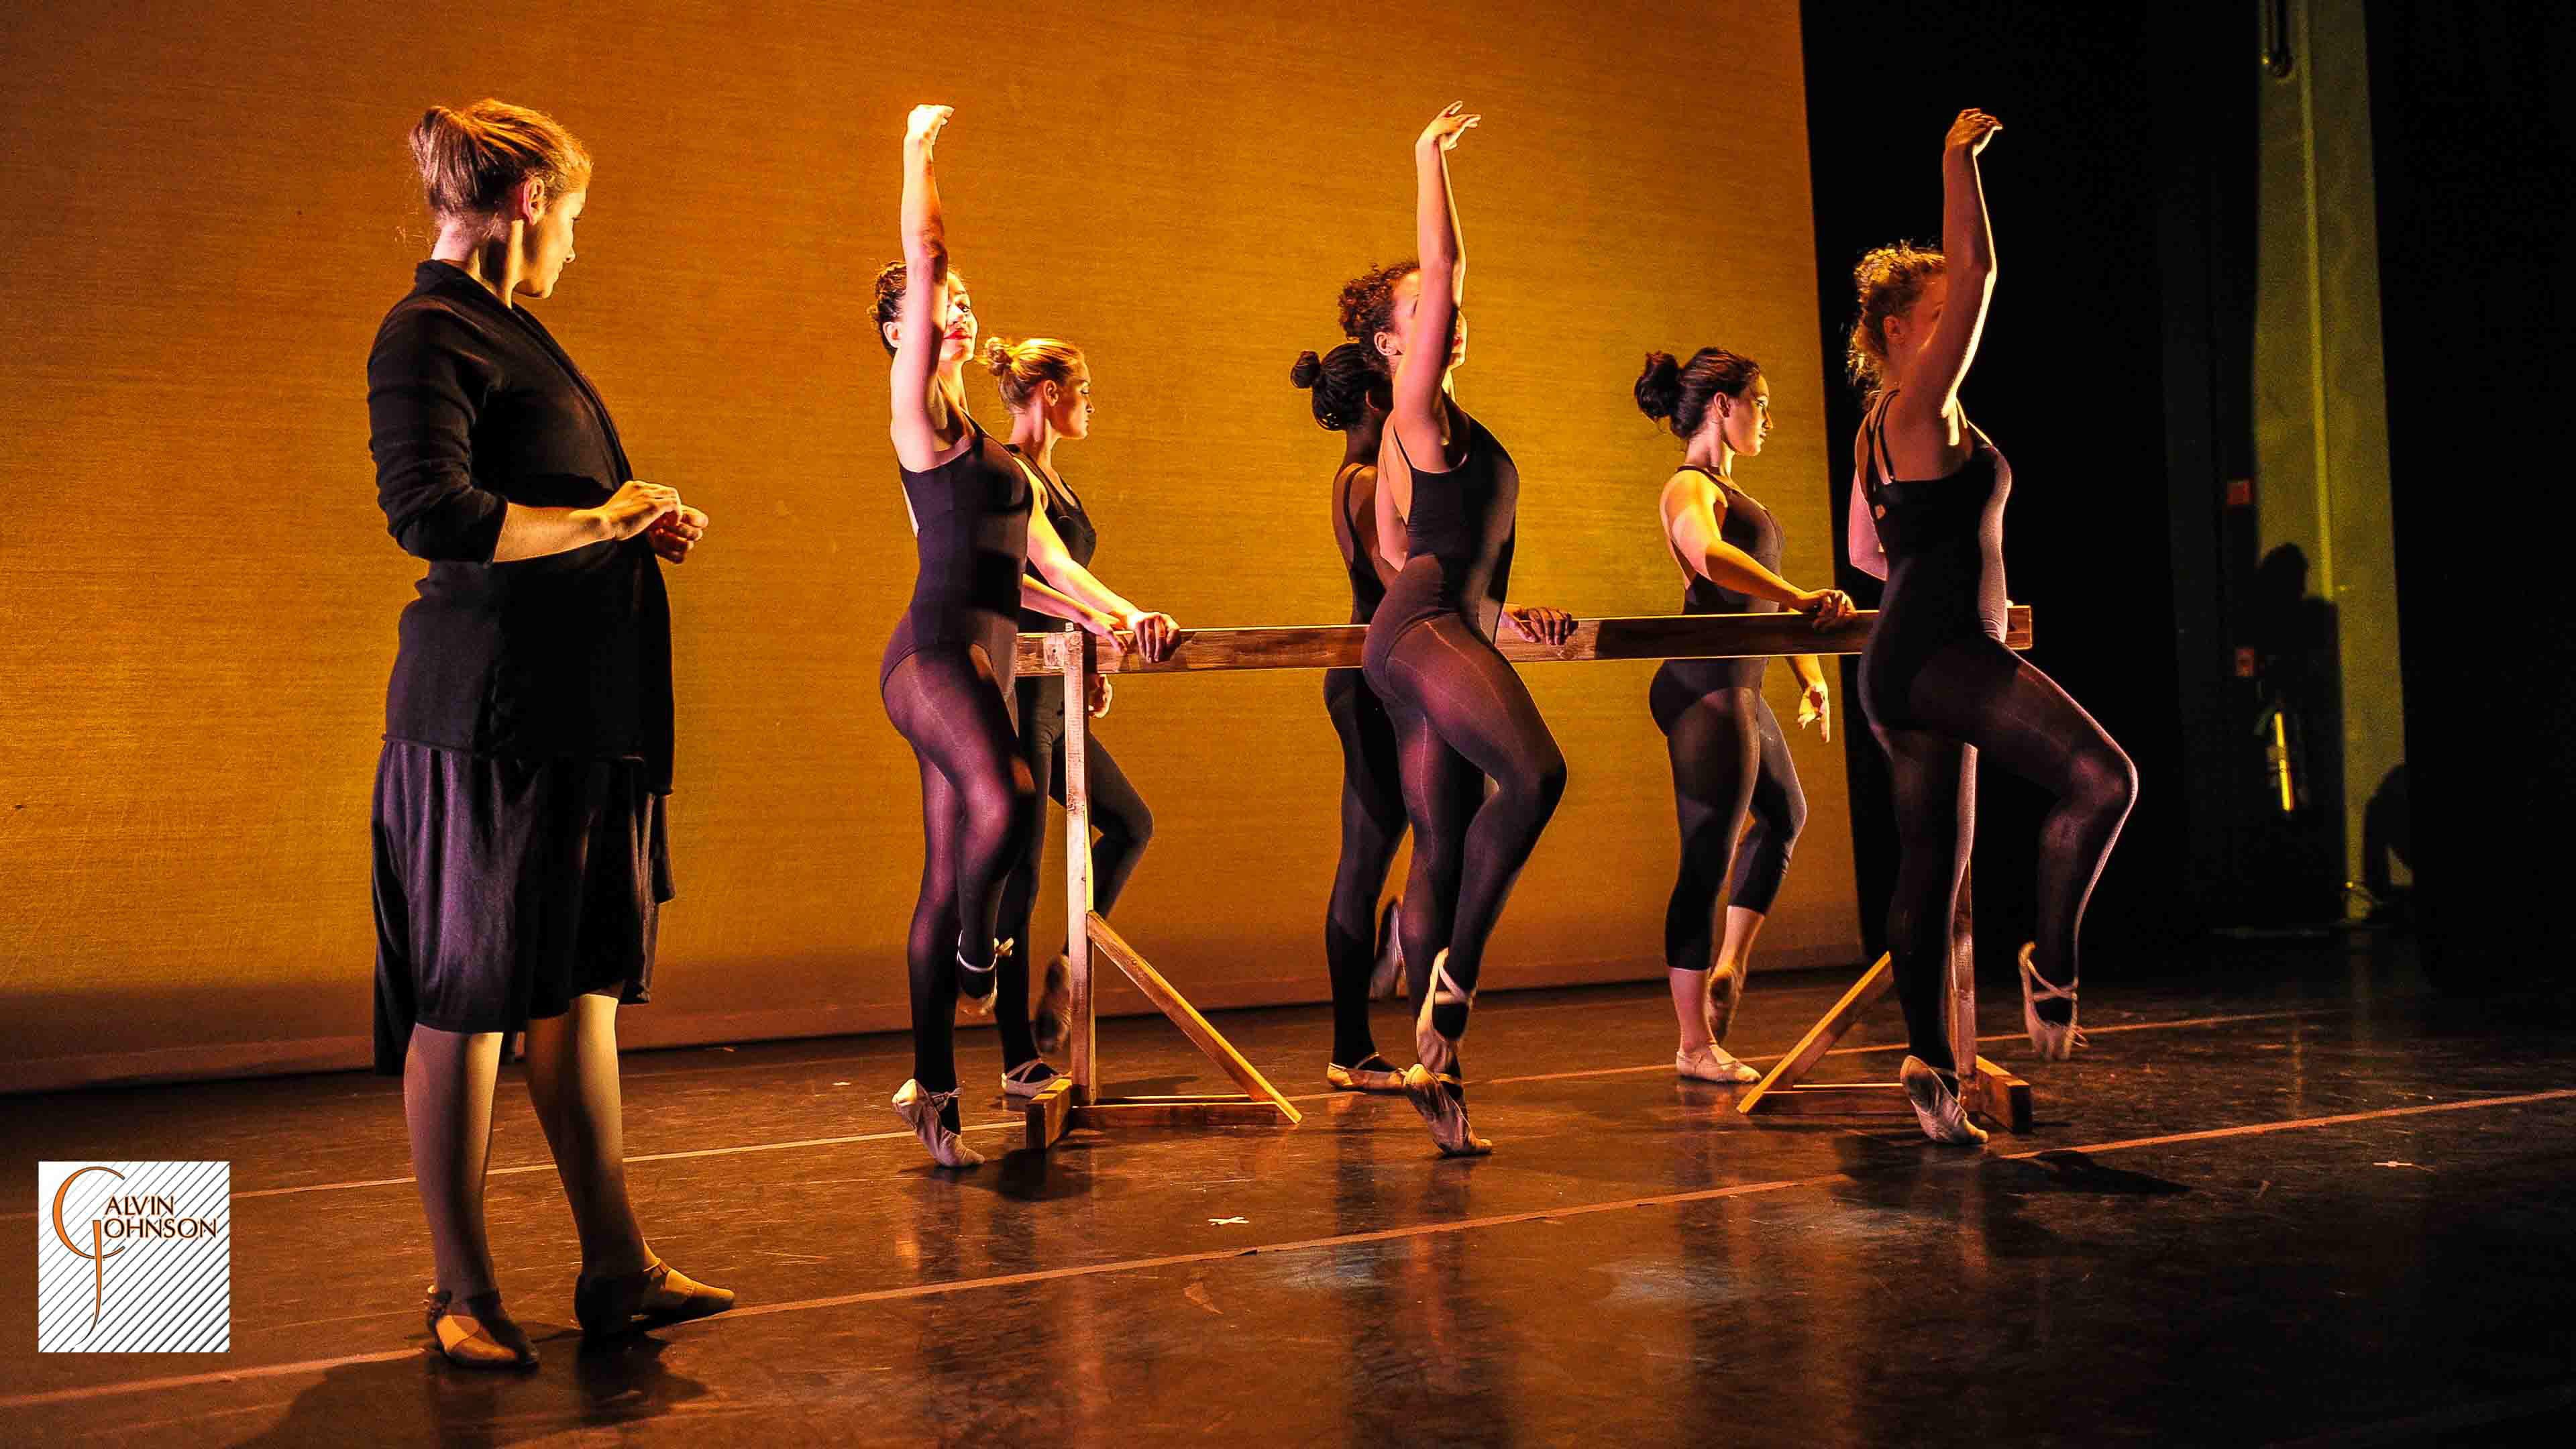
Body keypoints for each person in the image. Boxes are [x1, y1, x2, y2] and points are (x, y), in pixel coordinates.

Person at [368, 99, 731, 1368]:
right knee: (465, 1001)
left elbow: (564, 505)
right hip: (489, 723)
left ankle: (616, 1269)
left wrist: (631, 521)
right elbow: (433, 514)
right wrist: (600, 524)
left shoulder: (515, 334)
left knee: (578, 997)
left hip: (583, 715)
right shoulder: (427, 331)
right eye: (572, 214)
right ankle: (460, 1294)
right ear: (530, 203)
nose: (576, 240)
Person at [1843, 108, 2137, 1144]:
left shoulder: (1884, 430)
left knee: (1932, 861)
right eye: (1935, 316)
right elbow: (1980, 276)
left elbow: (1869, 555)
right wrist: (1955, 163)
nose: (1956, 328)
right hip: (1937, 657)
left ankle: (1928, 1068)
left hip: (1904, 655)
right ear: (1896, 335)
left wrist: (1964, 596)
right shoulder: (1921, 410)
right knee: (2105, 780)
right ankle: (2049, 962)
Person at [874, 105, 1139, 1169]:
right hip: (929, 659)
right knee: (1015, 802)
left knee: (951, 873)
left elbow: (1053, 567)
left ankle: (934, 1091)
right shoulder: (916, 414)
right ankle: (981, 962)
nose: (959, 311)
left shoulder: (996, 453)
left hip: (981, 659)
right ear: (901, 329)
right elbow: (926, 251)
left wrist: (1125, 615)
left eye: (968, 304)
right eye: (940, 304)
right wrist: (917, 153)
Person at [1357, 104, 1576, 1155]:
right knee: (1534, 778)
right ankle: (1457, 978)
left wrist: (1500, 616)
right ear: (1396, 343)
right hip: (1425, 632)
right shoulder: (1418, 403)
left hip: (1434, 625)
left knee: (1443, 847)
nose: (1441, 309)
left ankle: (1438, 1083)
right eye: (1420, 309)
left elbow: (1401, 548)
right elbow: (1445, 264)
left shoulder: (1431, 436)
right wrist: (1426, 157)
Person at [1634, 346, 1854, 1084]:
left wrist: (1807, 668)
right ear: (1722, 405)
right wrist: (1798, 601)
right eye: (1760, 400)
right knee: (1707, 857)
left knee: (1786, 816)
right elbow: (1708, 556)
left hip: (1742, 685)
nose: (1769, 416)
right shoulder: (1688, 486)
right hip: (1708, 687)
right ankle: (1694, 1044)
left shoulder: (1732, 488)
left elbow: (1759, 601)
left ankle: (1730, 964)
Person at [983, 335, 1177, 1100]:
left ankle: (1069, 963)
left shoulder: (1058, 487)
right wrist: (1110, 625)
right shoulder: (1007, 476)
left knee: (1131, 823)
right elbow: (1028, 585)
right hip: (1021, 691)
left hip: (1062, 691)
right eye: (1084, 390)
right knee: (1022, 872)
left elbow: (1067, 581)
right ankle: (1017, 1057)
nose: (1091, 403)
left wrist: (1093, 660)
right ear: (1049, 395)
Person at [1295, 340, 1411, 1092]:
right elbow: (1393, 574)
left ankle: (1392, 950)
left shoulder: (1360, 473)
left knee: (1392, 840)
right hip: (1372, 680)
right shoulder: (1365, 481)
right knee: (1366, 857)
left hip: (1374, 676)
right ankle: (1351, 1046)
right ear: (1375, 401)